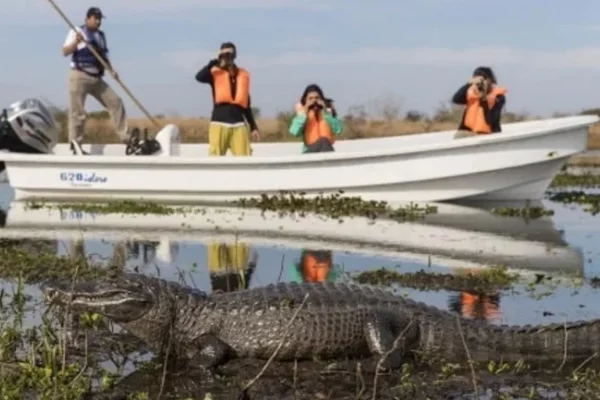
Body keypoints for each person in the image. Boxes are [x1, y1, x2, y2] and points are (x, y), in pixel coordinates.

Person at [62, 7, 128, 155]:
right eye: (95, 18)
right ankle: (75, 145)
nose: (98, 22)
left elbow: (104, 57)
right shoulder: (77, 31)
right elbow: (65, 51)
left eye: (100, 19)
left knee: (116, 102)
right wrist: (76, 42)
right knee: (77, 112)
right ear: (88, 18)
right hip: (79, 75)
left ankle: (126, 137)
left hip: (97, 78)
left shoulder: (101, 36)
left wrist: (112, 70)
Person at [195, 42, 260, 156]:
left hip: (238, 124)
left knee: (245, 160)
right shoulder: (215, 73)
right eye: (223, 54)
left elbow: (246, 105)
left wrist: (253, 127)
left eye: (229, 54)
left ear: (234, 55)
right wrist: (214, 62)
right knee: (215, 160)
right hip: (219, 123)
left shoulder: (242, 76)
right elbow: (199, 77)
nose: (226, 56)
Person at [451, 66, 507, 139]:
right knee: (459, 135)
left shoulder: (498, 97)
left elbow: (491, 120)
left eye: (484, 80)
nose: (481, 84)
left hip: (489, 134)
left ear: (490, 80)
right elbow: (455, 99)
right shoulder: (471, 94)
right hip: (469, 132)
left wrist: (484, 100)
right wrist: (468, 84)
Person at [289, 84, 343, 153]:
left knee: (324, 141)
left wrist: (326, 113)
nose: (314, 101)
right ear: (306, 100)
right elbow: (294, 132)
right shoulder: (302, 114)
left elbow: (338, 130)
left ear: (321, 99)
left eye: (317, 98)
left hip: (326, 149)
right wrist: (304, 113)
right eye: (310, 98)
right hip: (309, 151)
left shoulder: (328, 113)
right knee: (323, 141)